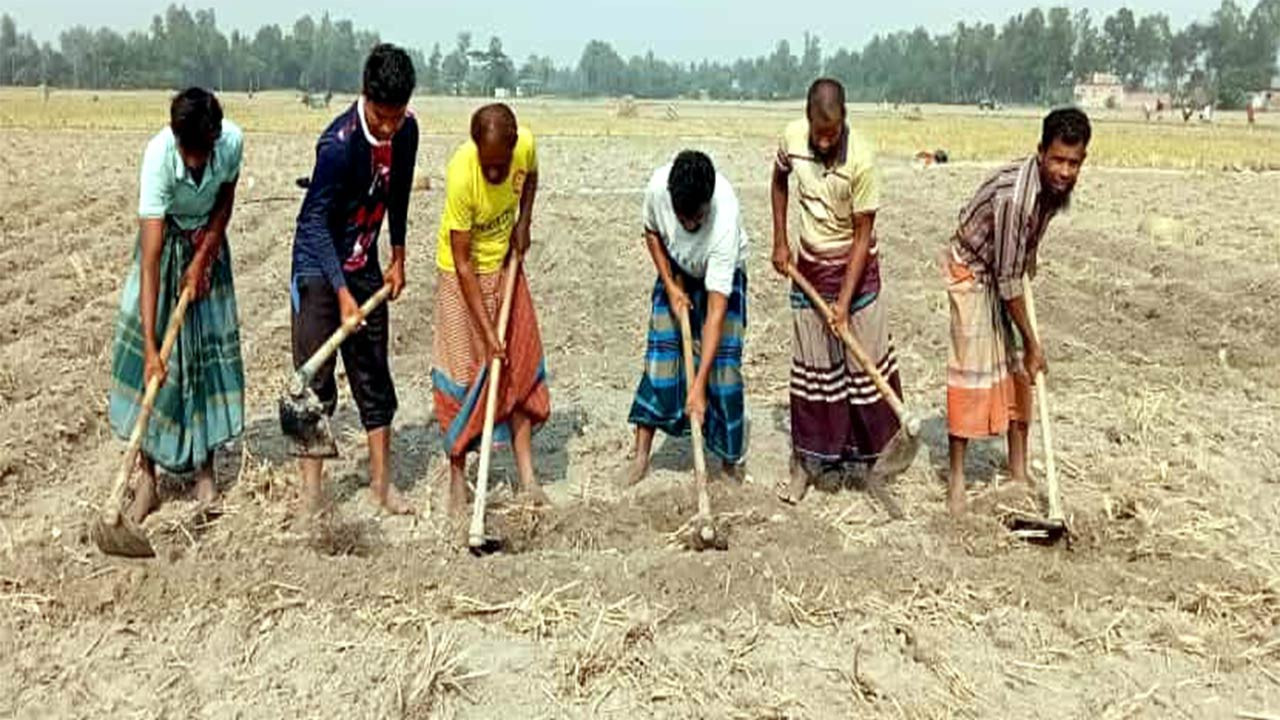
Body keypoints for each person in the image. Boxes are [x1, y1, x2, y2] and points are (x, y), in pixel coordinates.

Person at [290, 43, 419, 515]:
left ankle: (382, 485)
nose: (388, 128)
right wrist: (341, 293)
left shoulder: (406, 132)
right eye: (381, 118)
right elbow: (313, 224)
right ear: (365, 97)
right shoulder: (338, 146)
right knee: (313, 381)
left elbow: (398, 193)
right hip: (318, 265)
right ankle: (312, 495)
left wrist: (398, 255)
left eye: (397, 117)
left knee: (373, 374)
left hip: (363, 261)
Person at [108, 87, 245, 523]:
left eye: (204, 154)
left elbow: (225, 197)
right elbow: (149, 263)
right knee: (150, 368)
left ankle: (204, 471)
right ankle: (147, 478)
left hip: (206, 246)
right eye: (190, 154)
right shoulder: (159, 158)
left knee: (202, 359)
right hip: (166, 250)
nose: (196, 163)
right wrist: (151, 348)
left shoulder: (231, 142)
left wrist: (205, 255)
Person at [944, 107, 1090, 516]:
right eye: (1058, 160)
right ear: (1041, 152)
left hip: (1007, 267)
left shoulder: (1054, 190)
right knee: (972, 372)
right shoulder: (1015, 198)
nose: (1065, 171)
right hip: (972, 268)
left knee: (1020, 374)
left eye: (1074, 163)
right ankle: (956, 480)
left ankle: (1019, 472)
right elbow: (1006, 281)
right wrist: (1032, 342)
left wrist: (1030, 257)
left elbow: (1019, 257)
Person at [771, 78, 904, 504]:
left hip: (856, 273)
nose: (825, 141)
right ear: (807, 119)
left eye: (832, 132)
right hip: (809, 269)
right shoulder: (792, 138)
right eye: (818, 132)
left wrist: (844, 303)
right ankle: (807, 461)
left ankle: (870, 462)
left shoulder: (862, 160)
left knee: (864, 373)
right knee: (815, 374)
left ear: (844, 118)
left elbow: (863, 237)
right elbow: (779, 180)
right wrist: (780, 240)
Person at [431, 103, 550, 516]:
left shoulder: (525, 146)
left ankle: (528, 477)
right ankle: (457, 477)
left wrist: (524, 221)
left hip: (504, 265)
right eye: (488, 165)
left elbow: (531, 176)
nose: (495, 173)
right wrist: (486, 332)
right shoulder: (462, 173)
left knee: (517, 365)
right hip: (460, 275)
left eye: (501, 164)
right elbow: (463, 261)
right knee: (462, 375)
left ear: (513, 148)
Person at [625, 150, 750, 486]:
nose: (691, 226)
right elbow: (652, 232)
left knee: (724, 370)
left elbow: (716, 314)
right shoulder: (657, 190)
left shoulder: (724, 219)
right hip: (677, 272)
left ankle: (729, 461)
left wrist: (698, 387)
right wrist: (669, 285)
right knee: (660, 361)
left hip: (722, 277)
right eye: (684, 219)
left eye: (698, 218)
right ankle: (640, 457)